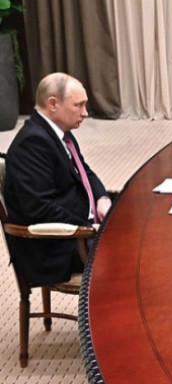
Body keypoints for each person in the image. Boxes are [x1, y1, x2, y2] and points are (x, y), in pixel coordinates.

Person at [4, 72, 112, 286]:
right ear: (53, 104)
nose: (85, 113)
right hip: (56, 248)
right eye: (78, 105)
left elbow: (85, 172)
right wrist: (89, 229)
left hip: (78, 228)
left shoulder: (58, 132)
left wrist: (102, 198)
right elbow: (40, 209)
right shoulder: (32, 144)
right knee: (132, 250)